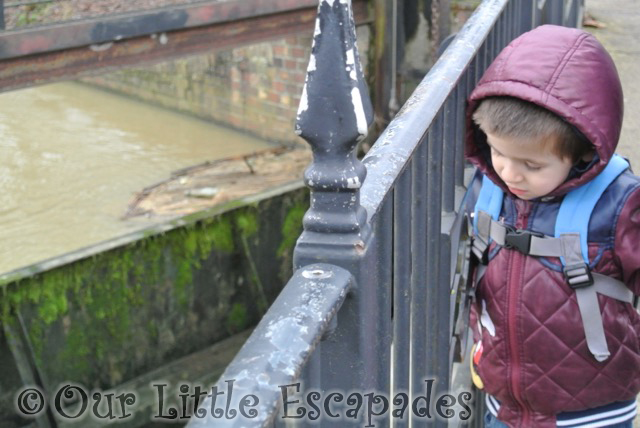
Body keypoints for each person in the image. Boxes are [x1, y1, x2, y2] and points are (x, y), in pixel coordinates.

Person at [464, 25, 640, 427]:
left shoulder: (618, 205)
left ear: (582, 153)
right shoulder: (491, 187)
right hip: (503, 404)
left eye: (532, 165)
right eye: (497, 151)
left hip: (593, 411)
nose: (510, 172)